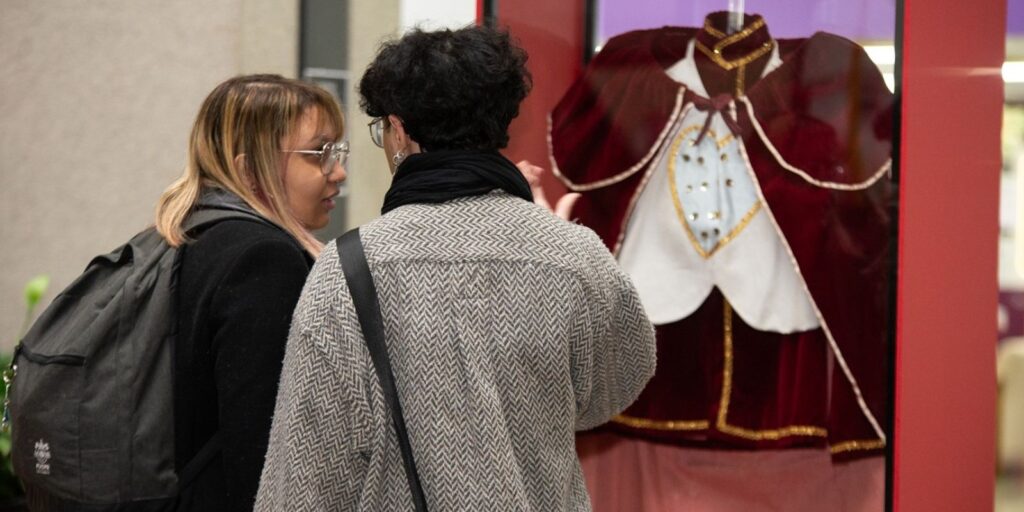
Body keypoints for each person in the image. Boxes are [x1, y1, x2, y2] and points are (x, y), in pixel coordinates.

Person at [255, 26, 656, 511]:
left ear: (400, 131)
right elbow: (617, 384)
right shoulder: (576, 257)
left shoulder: (347, 269)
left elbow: (307, 475)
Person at [154, 74, 347, 511]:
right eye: (320, 153)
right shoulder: (263, 259)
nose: (338, 171)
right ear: (249, 169)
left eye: (337, 150)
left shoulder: (188, 236)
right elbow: (261, 455)